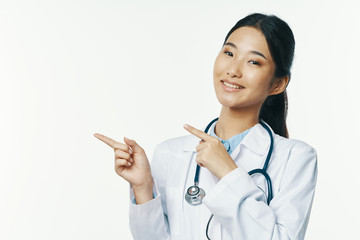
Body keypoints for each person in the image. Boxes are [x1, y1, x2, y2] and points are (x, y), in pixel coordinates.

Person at [94, 13, 318, 240]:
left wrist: (228, 173)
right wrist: (143, 188)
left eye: (253, 61)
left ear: (278, 84)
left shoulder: (296, 158)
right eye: (229, 53)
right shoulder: (170, 153)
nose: (233, 70)